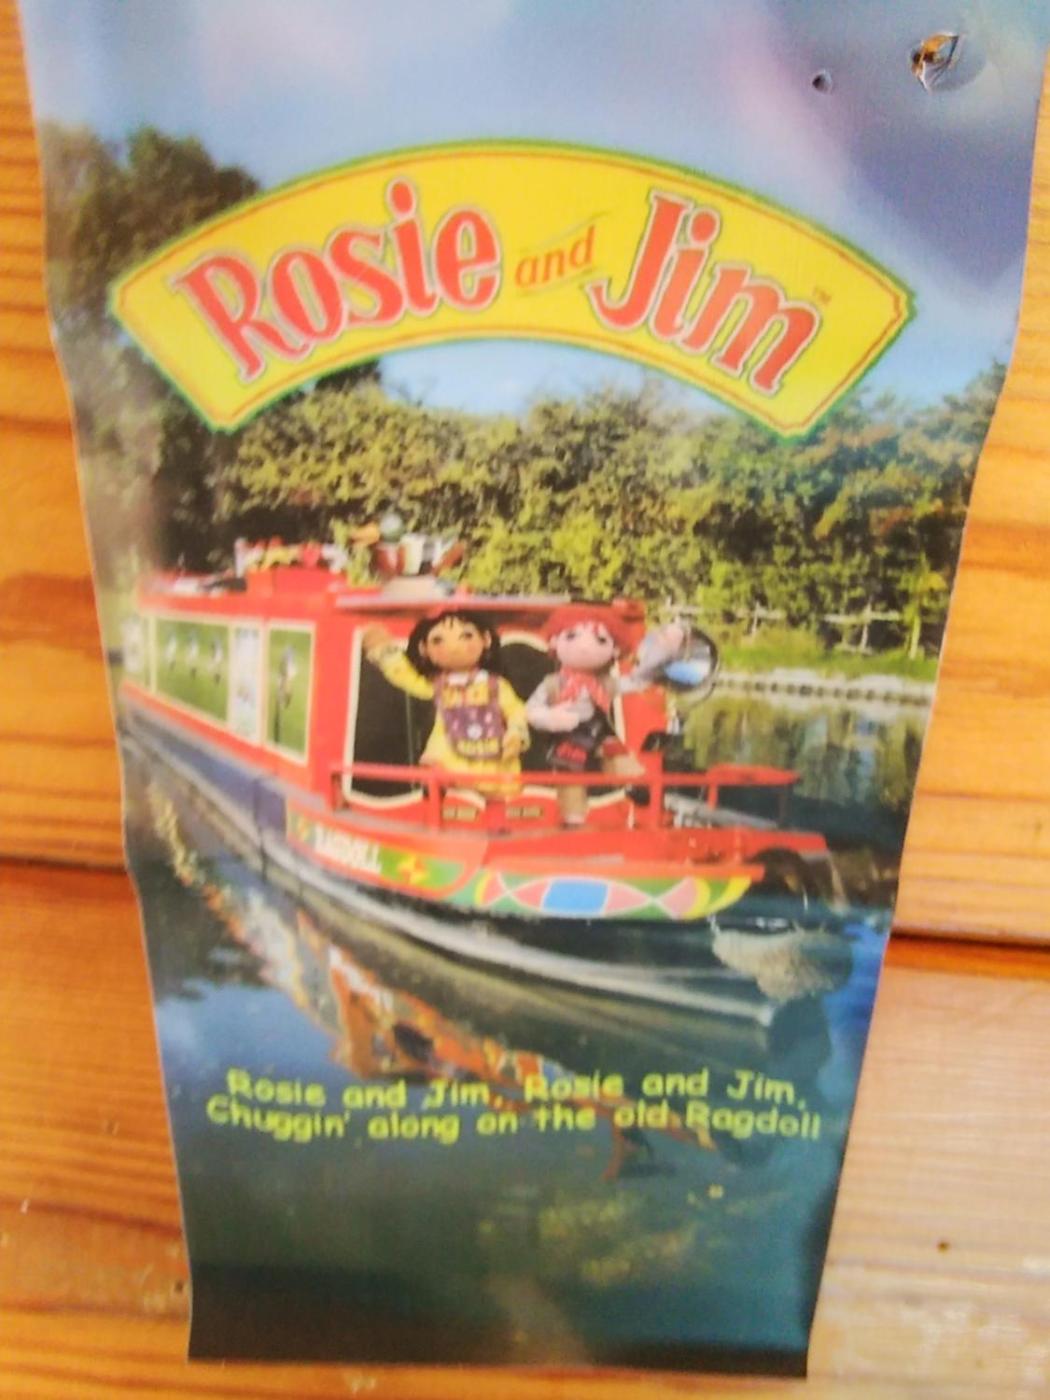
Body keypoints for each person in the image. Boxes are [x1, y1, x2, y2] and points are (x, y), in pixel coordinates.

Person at [526, 603, 685, 825]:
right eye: (571, 636)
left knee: (618, 756)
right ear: (554, 641)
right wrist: (551, 718)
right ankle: (573, 819)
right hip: (568, 737)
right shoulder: (552, 684)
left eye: (600, 640)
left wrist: (663, 651)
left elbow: (638, 681)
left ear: (615, 649)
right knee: (570, 777)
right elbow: (532, 710)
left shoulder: (606, 683)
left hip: (600, 732)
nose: (585, 647)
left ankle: (636, 787)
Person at [361, 610, 528, 794]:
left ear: (486, 639)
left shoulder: (496, 685)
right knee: (446, 788)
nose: (454, 647)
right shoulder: (438, 685)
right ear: (424, 648)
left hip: (494, 757)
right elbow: (407, 678)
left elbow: (515, 710)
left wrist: (516, 732)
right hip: (449, 756)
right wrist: (386, 654)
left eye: (467, 635)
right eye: (438, 640)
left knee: (497, 794)